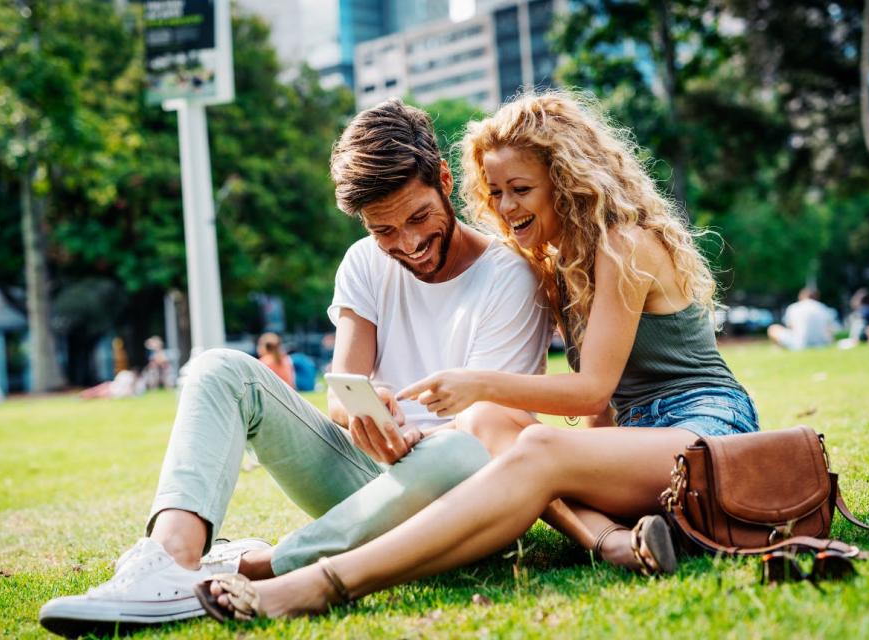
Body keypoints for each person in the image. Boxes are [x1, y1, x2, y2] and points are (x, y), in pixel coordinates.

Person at [194, 91, 761, 621]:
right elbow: (603, 412)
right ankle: (610, 542)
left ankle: (317, 582)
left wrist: (478, 384)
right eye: (495, 192)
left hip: (706, 430)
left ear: (563, 181)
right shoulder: (561, 263)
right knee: (497, 426)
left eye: (522, 189)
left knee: (521, 434)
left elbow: (591, 389)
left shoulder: (622, 243)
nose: (506, 207)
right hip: (641, 439)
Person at [39, 99, 552, 636]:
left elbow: (495, 436)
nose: (409, 243)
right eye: (384, 230)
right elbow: (340, 393)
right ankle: (171, 560)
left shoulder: (509, 275)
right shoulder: (363, 263)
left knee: (458, 449)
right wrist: (366, 411)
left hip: (466, 498)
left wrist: (421, 436)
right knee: (219, 369)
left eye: (418, 217)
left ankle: (255, 568)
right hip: (368, 480)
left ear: (444, 180)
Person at [767, 287, 836, 350]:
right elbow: (829, 329)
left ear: (801, 296)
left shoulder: (794, 307)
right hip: (822, 343)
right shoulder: (823, 307)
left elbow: (791, 327)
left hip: (801, 344)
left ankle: (778, 350)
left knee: (773, 329)